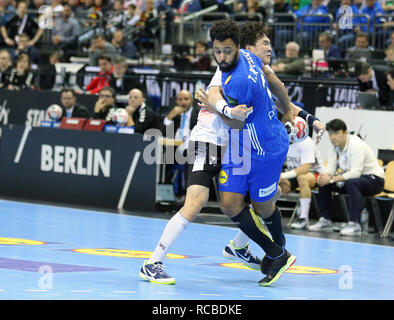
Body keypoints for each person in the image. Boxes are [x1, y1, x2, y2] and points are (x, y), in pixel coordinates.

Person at [139, 20, 323, 286]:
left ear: (239, 47)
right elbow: (213, 96)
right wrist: (224, 110)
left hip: (235, 145)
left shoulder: (252, 62)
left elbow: (275, 89)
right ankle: (153, 262)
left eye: (226, 50)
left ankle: (243, 248)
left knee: (253, 199)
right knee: (196, 201)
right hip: (211, 140)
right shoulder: (229, 71)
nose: (269, 48)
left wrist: (303, 114)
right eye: (265, 43)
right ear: (247, 46)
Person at [309, 119, 385, 236]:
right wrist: (325, 177)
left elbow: (355, 173)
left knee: (352, 183)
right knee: (324, 183)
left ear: (345, 132)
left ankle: (354, 224)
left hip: (375, 180)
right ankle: (325, 220)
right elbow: (331, 169)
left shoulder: (356, 144)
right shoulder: (333, 146)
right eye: (330, 134)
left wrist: (332, 179)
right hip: (354, 180)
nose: (333, 137)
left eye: (336, 133)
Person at [279, 136, 324, 229]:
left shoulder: (305, 142)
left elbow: (304, 169)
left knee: (302, 179)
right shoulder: (282, 141)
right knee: (271, 181)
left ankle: (303, 219)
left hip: (314, 174)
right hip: (294, 175)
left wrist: (282, 176)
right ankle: (265, 215)